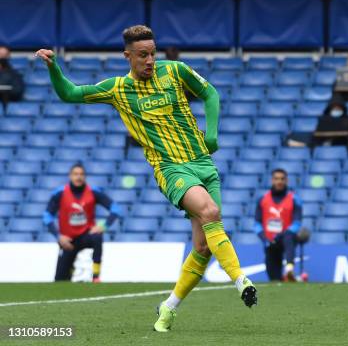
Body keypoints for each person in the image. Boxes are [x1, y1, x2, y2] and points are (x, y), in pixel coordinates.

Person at [35, 24, 257, 333]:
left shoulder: (175, 71)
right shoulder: (117, 89)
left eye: (153, 53)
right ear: (128, 56)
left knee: (204, 247)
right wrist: (54, 69)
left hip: (204, 165)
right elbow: (70, 94)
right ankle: (241, 281)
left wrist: (213, 133)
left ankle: (168, 308)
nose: (150, 60)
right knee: (211, 213)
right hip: (171, 170)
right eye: (143, 55)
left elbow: (210, 93)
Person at [43, 163, 122, 282]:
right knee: (60, 280)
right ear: (70, 176)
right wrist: (59, 237)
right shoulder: (59, 193)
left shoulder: (93, 191)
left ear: (85, 176)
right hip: (68, 241)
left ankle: (96, 276)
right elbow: (47, 216)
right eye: (75, 174)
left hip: (86, 236)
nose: (78, 177)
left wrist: (104, 226)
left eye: (81, 174)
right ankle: (69, 270)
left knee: (97, 237)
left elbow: (115, 208)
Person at [254, 169, 303, 282]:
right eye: (276, 179)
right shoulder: (262, 200)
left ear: (286, 180)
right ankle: (284, 279)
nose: (279, 181)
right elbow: (256, 223)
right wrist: (264, 239)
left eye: (282, 179)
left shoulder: (295, 199)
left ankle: (289, 268)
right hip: (270, 242)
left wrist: (283, 234)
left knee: (288, 237)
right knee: (274, 278)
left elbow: (297, 223)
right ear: (272, 180)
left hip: (287, 239)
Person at [0, 46, 25, 112]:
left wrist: (4, 92)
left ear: (8, 57)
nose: (1, 58)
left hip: (7, 104)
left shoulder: (14, 74)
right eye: (0, 55)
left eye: (3, 55)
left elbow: (17, 91)